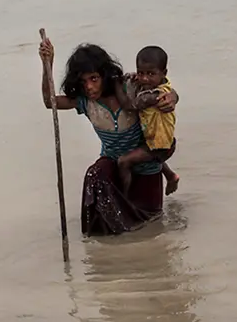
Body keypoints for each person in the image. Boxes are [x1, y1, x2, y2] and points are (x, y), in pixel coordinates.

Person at [38, 39, 178, 236]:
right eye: (83, 82)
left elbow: (161, 87)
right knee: (95, 175)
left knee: (151, 225)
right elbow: (49, 102)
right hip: (114, 165)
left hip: (146, 167)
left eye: (94, 79)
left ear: (104, 75)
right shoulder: (84, 102)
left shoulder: (128, 88)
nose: (89, 87)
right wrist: (48, 64)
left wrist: (172, 97)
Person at [115, 46, 180, 196]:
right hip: (161, 142)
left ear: (164, 73)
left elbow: (128, 106)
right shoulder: (164, 84)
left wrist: (116, 85)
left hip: (158, 146)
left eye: (151, 74)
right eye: (141, 73)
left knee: (124, 162)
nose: (144, 78)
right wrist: (132, 77)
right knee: (153, 157)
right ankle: (171, 176)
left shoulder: (153, 96)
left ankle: (125, 197)